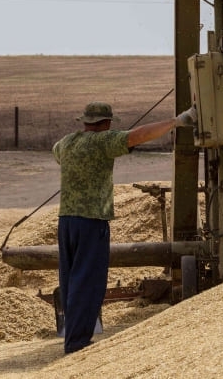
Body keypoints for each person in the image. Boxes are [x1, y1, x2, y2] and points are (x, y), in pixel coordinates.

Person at [52, 101, 197, 354]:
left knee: (71, 280)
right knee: (88, 281)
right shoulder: (102, 141)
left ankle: (73, 337)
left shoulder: (65, 143)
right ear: (106, 124)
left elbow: (56, 154)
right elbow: (138, 135)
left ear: (85, 121)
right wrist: (178, 121)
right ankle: (77, 344)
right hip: (91, 220)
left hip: (66, 221)